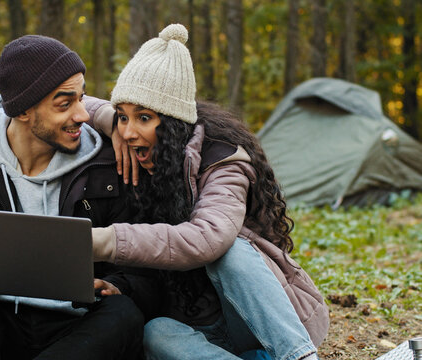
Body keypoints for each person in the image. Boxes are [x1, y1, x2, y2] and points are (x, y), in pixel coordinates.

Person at [0, 34, 156, 360]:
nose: (83, 114)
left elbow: (148, 273)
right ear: (23, 111)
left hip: (79, 323)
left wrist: (119, 286)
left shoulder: (110, 163)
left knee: (123, 313)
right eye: (65, 104)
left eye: (81, 98)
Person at [92, 24, 329, 360]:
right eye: (123, 117)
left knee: (228, 252)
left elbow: (207, 239)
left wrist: (104, 240)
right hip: (202, 331)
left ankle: (301, 358)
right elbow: (77, 102)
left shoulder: (224, 160)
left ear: (173, 124)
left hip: (255, 326)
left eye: (143, 118)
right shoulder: (137, 149)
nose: (129, 132)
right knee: (155, 331)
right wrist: (108, 120)